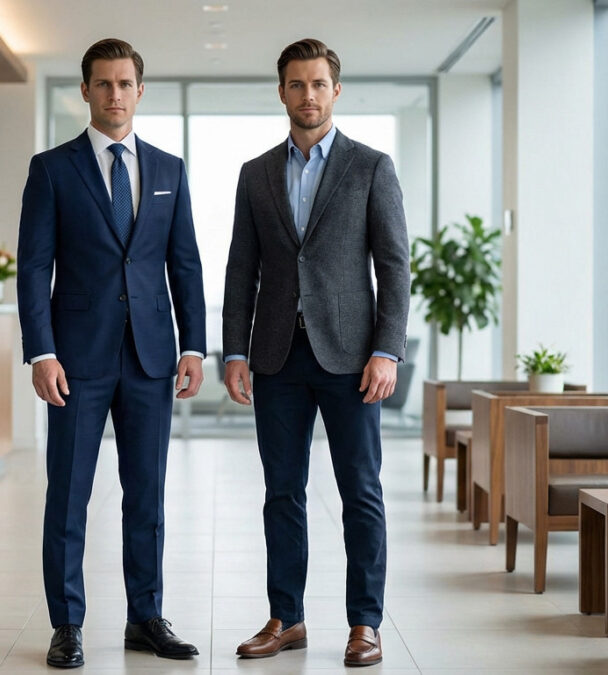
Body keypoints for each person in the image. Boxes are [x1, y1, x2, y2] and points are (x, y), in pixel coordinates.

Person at [17, 38, 206, 669]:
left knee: (145, 495)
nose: (115, 94)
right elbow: (33, 266)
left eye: (125, 83)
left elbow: (185, 265)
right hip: (76, 361)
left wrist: (195, 346)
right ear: (86, 92)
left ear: (140, 90)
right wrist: (40, 351)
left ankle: (145, 617)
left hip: (152, 359)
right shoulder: (52, 169)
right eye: (104, 84)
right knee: (68, 495)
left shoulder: (169, 169)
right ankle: (67, 624)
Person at [221, 38, 410, 668]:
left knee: (360, 490)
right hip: (276, 357)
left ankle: (365, 623)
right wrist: (234, 351)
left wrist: (387, 349)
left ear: (336, 90)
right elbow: (240, 269)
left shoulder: (371, 167)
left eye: (319, 84)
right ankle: (287, 618)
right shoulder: (255, 173)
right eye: (297, 84)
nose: (308, 95)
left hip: (353, 360)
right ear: (282, 92)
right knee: (283, 491)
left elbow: (394, 266)